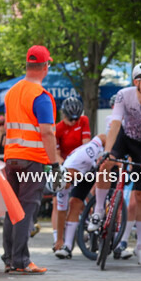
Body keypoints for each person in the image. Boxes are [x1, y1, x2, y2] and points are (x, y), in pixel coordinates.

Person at [86, 62, 141, 267]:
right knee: (106, 164)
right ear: (136, 82)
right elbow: (115, 124)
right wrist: (107, 151)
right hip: (124, 138)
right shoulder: (124, 95)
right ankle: (98, 211)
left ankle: (140, 246)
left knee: (140, 195)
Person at [2, 45, 62, 274]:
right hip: (33, 161)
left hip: (12, 159)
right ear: (46, 67)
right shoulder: (41, 97)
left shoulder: (12, 92)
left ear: (27, 65)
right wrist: (55, 165)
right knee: (27, 209)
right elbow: (47, 132)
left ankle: (9, 259)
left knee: (13, 209)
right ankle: (22, 261)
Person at [53, 125, 108, 259]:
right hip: (84, 176)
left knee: (102, 185)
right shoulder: (61, 186)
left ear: (66, 177)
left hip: (99, 164)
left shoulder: (84, 155)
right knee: (74, 203)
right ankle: (67, 245)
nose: (65, 189)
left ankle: (117, 235)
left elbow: (102, 137)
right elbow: (61, 213)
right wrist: (58, 239)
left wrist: (109, 153)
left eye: (65, 186)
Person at [52, 96, 90, 252]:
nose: (73, 121)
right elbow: (55, 154)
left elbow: (86, 145)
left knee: (83, 198)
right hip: (63, 164)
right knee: (57, 202)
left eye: (76, 118)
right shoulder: (58, 128)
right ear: (63, 114)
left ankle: (86, 225)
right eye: (70, 118)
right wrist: (65, 168)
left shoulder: (84, 121)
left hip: (80, 163)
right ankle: (57, 238)